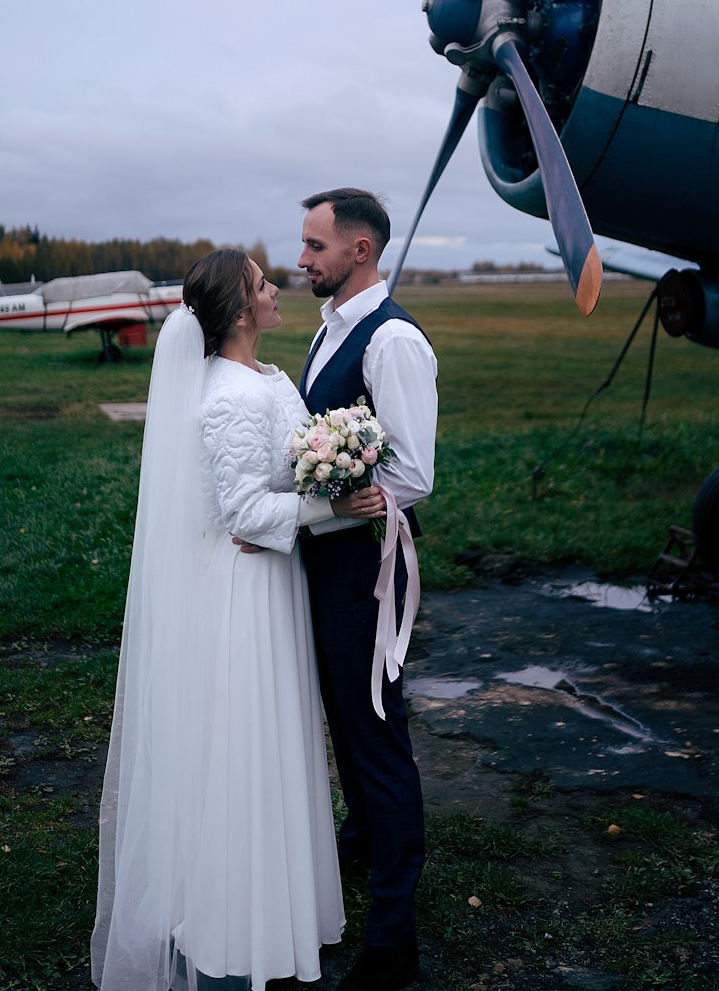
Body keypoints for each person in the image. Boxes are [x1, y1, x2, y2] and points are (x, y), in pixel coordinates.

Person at [90, 248, 384, 991]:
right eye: (262, 284)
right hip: (244, 590)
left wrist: (337, 460)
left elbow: (287, 470)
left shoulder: (271, 379)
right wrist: (334, 504)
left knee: (283, 736)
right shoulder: (224, 397)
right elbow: (244, 513)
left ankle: (288, 906)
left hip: (276, 578)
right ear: (240, 310)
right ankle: (238, 921)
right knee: (246, 743)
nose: (277, 287)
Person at [296, 189, 438, 991]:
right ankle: (363, 841)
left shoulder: (392, 342)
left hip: (366, 570)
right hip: (327, 559)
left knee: (377, 735)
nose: (303, 258)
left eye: (316, 246)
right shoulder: (331, 329)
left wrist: (332, 498)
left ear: (360, 251)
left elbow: (412, 471)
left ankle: (395, 940)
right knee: (346, 726)